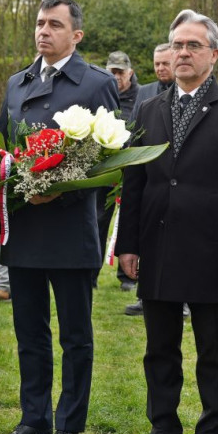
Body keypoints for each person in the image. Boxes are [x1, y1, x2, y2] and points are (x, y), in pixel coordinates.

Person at [117, 9, 218, 434]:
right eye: (177, 45)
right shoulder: (148, 110)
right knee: (159, 350)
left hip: (212, 253)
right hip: (156, 249)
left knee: (213, 354)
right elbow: (134, 183)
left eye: (193, 45)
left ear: (214, 55)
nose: (182, 53)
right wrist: (127, 245)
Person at [0, 0, 118, 434]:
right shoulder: (18, 83)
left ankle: (69, 425)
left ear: (76, 35)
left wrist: (63, 189)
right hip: (25, 226)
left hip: (69, 228)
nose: (44, 31)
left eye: (55, 25)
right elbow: (3, 145)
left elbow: (110, 157)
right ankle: (33, 418)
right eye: (40, 23)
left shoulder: (96, 83)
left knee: (75, 335)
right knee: (29, 330)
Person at [125, 42, 174, 317]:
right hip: (148, 177)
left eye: (164, 63)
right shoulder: (144, 93)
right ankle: (144, 296)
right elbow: (134, 130)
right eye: (156, 63)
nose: (160, 68)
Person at [96, 50, 139, 292]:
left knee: (129, 221)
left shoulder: (140, 96)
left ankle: (128, 276)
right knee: (98, 220)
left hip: (130, 168)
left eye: (120, 72)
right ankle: (92, 271)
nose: (116, 76)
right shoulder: (101, 93)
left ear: (130, 73)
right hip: (105, 169)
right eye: (111, 71)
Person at [135, 43, 173, 108]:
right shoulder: (144, 91)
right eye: (157, 64)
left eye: (166, 63)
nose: (160, 68)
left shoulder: (186, 91)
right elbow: (135, 118)